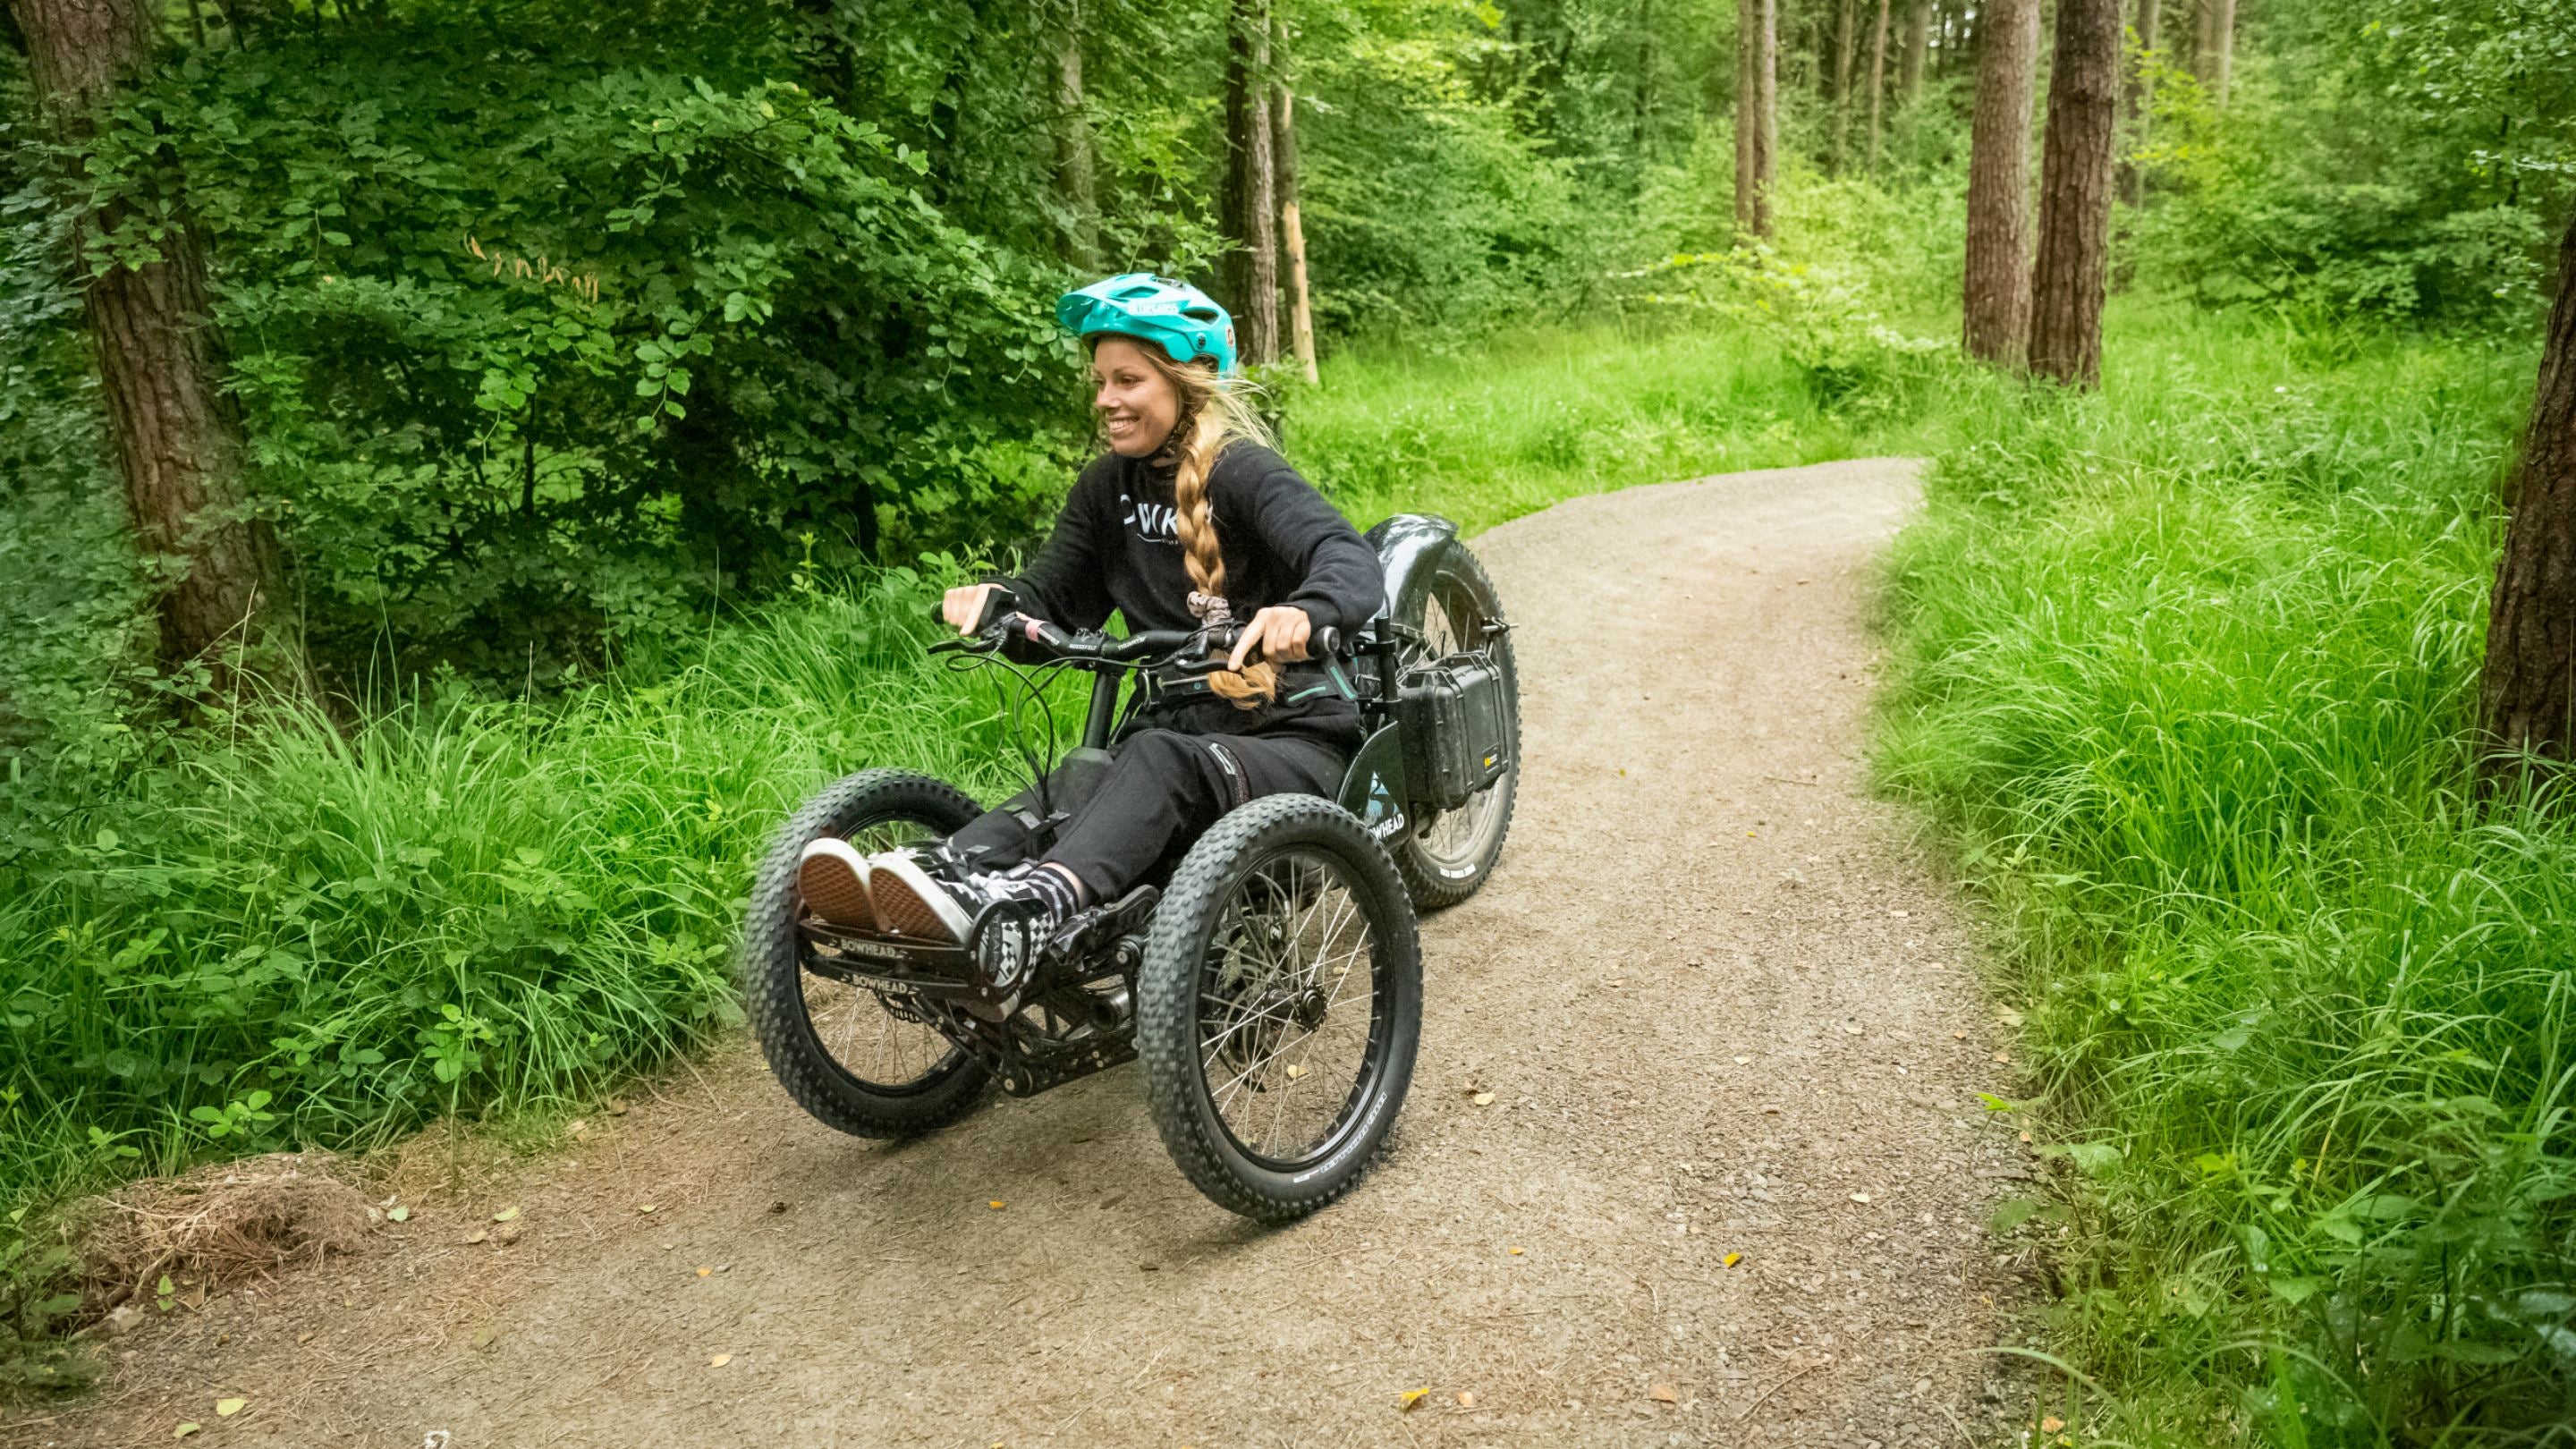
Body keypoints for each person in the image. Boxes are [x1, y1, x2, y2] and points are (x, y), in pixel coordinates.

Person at [795, 274, 1385, 990]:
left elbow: (1347, 558)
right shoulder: (1105, 489)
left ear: (1186, 382)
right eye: (1101, 380)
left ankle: (1037, 907)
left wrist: (1306, 611)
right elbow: (1056, 597)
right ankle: (939, 883)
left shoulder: (1245, 474)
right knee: (1072, 788)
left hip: (1293, 737)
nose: (1105, 398)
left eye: (1127, 380)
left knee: (1157, 759)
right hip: (1175, 736)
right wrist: (1001, 605)